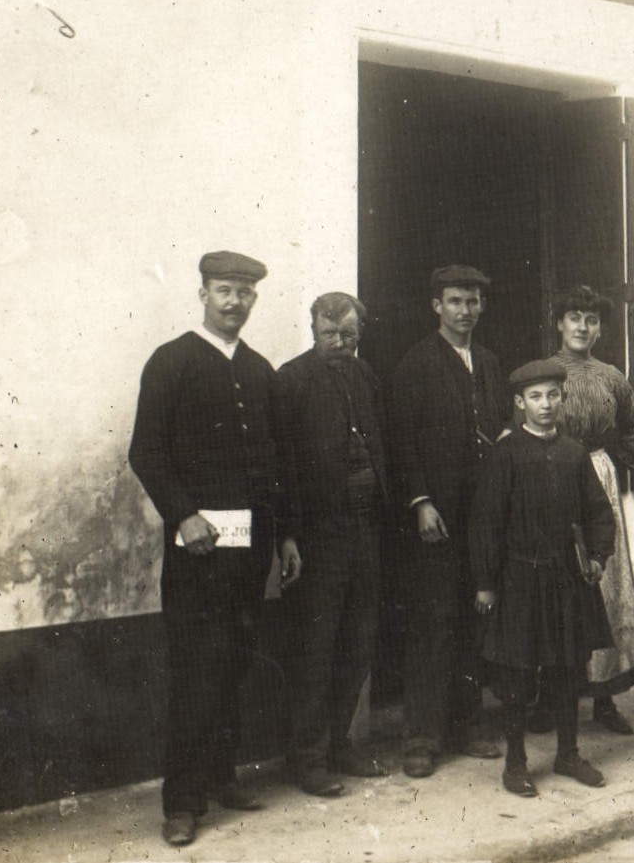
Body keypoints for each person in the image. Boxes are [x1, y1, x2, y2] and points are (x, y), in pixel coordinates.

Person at [129, 250, 278, 849]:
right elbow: (146, 451)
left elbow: (274, 461)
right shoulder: (172, 362)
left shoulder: (261, 370)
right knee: (195, 668)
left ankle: (221, 777)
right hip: (197, 551)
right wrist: (184, 515)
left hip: (249, 547)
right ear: (203, 293)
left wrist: (283, 534)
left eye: (244, 292)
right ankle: (182, 801)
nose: (235, 302)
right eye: (224, 291)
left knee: (236, 658)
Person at [469, 359, 616, 797]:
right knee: (518, 673)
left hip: (565, 579)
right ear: (519, 403)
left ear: (563, 399)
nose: (545, 404)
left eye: (553, 395)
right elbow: (486, 522)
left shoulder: (573, 454)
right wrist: (485, 581)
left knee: (567, 666)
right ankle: (516, 763)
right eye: (535, 397)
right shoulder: (506, 454)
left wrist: (598, 556)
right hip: (518, 580)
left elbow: (597, 512)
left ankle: (568, 754)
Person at [388, 264, 511, 778]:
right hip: (435, 517)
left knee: (472, 619)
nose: (465, 311)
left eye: (473, 302)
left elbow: (502, 423)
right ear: (436, 305)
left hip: (479, 515)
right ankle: (423, 736)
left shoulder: (486, 362)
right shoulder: (416, 363)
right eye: (456, 301)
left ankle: (466, 723)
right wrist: (420, 502)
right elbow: (400, 440)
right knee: (432, 623)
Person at [278, 293, 389, 797]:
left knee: (358, 644)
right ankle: (308, 758)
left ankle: (341, 743)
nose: (340, 344)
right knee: (315, 649)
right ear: (313, 329)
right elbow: (278, 468)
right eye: (330, 334)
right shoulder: (291, 381)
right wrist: (288, 537)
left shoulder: (366, 377)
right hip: (320, 538)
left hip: (367, 532)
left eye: (349, 335)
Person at [538, 285, 634, 735]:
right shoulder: (543, 373)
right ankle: (552, 698)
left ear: (599, 329)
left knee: (603, 582)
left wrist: (615, 457)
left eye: (591, 320)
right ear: (559, 324)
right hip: (552, 479)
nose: (582, 327)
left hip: (599, 480)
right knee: (556, 584)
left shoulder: (610, 376)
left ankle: (605, 697)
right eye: (574, 318)